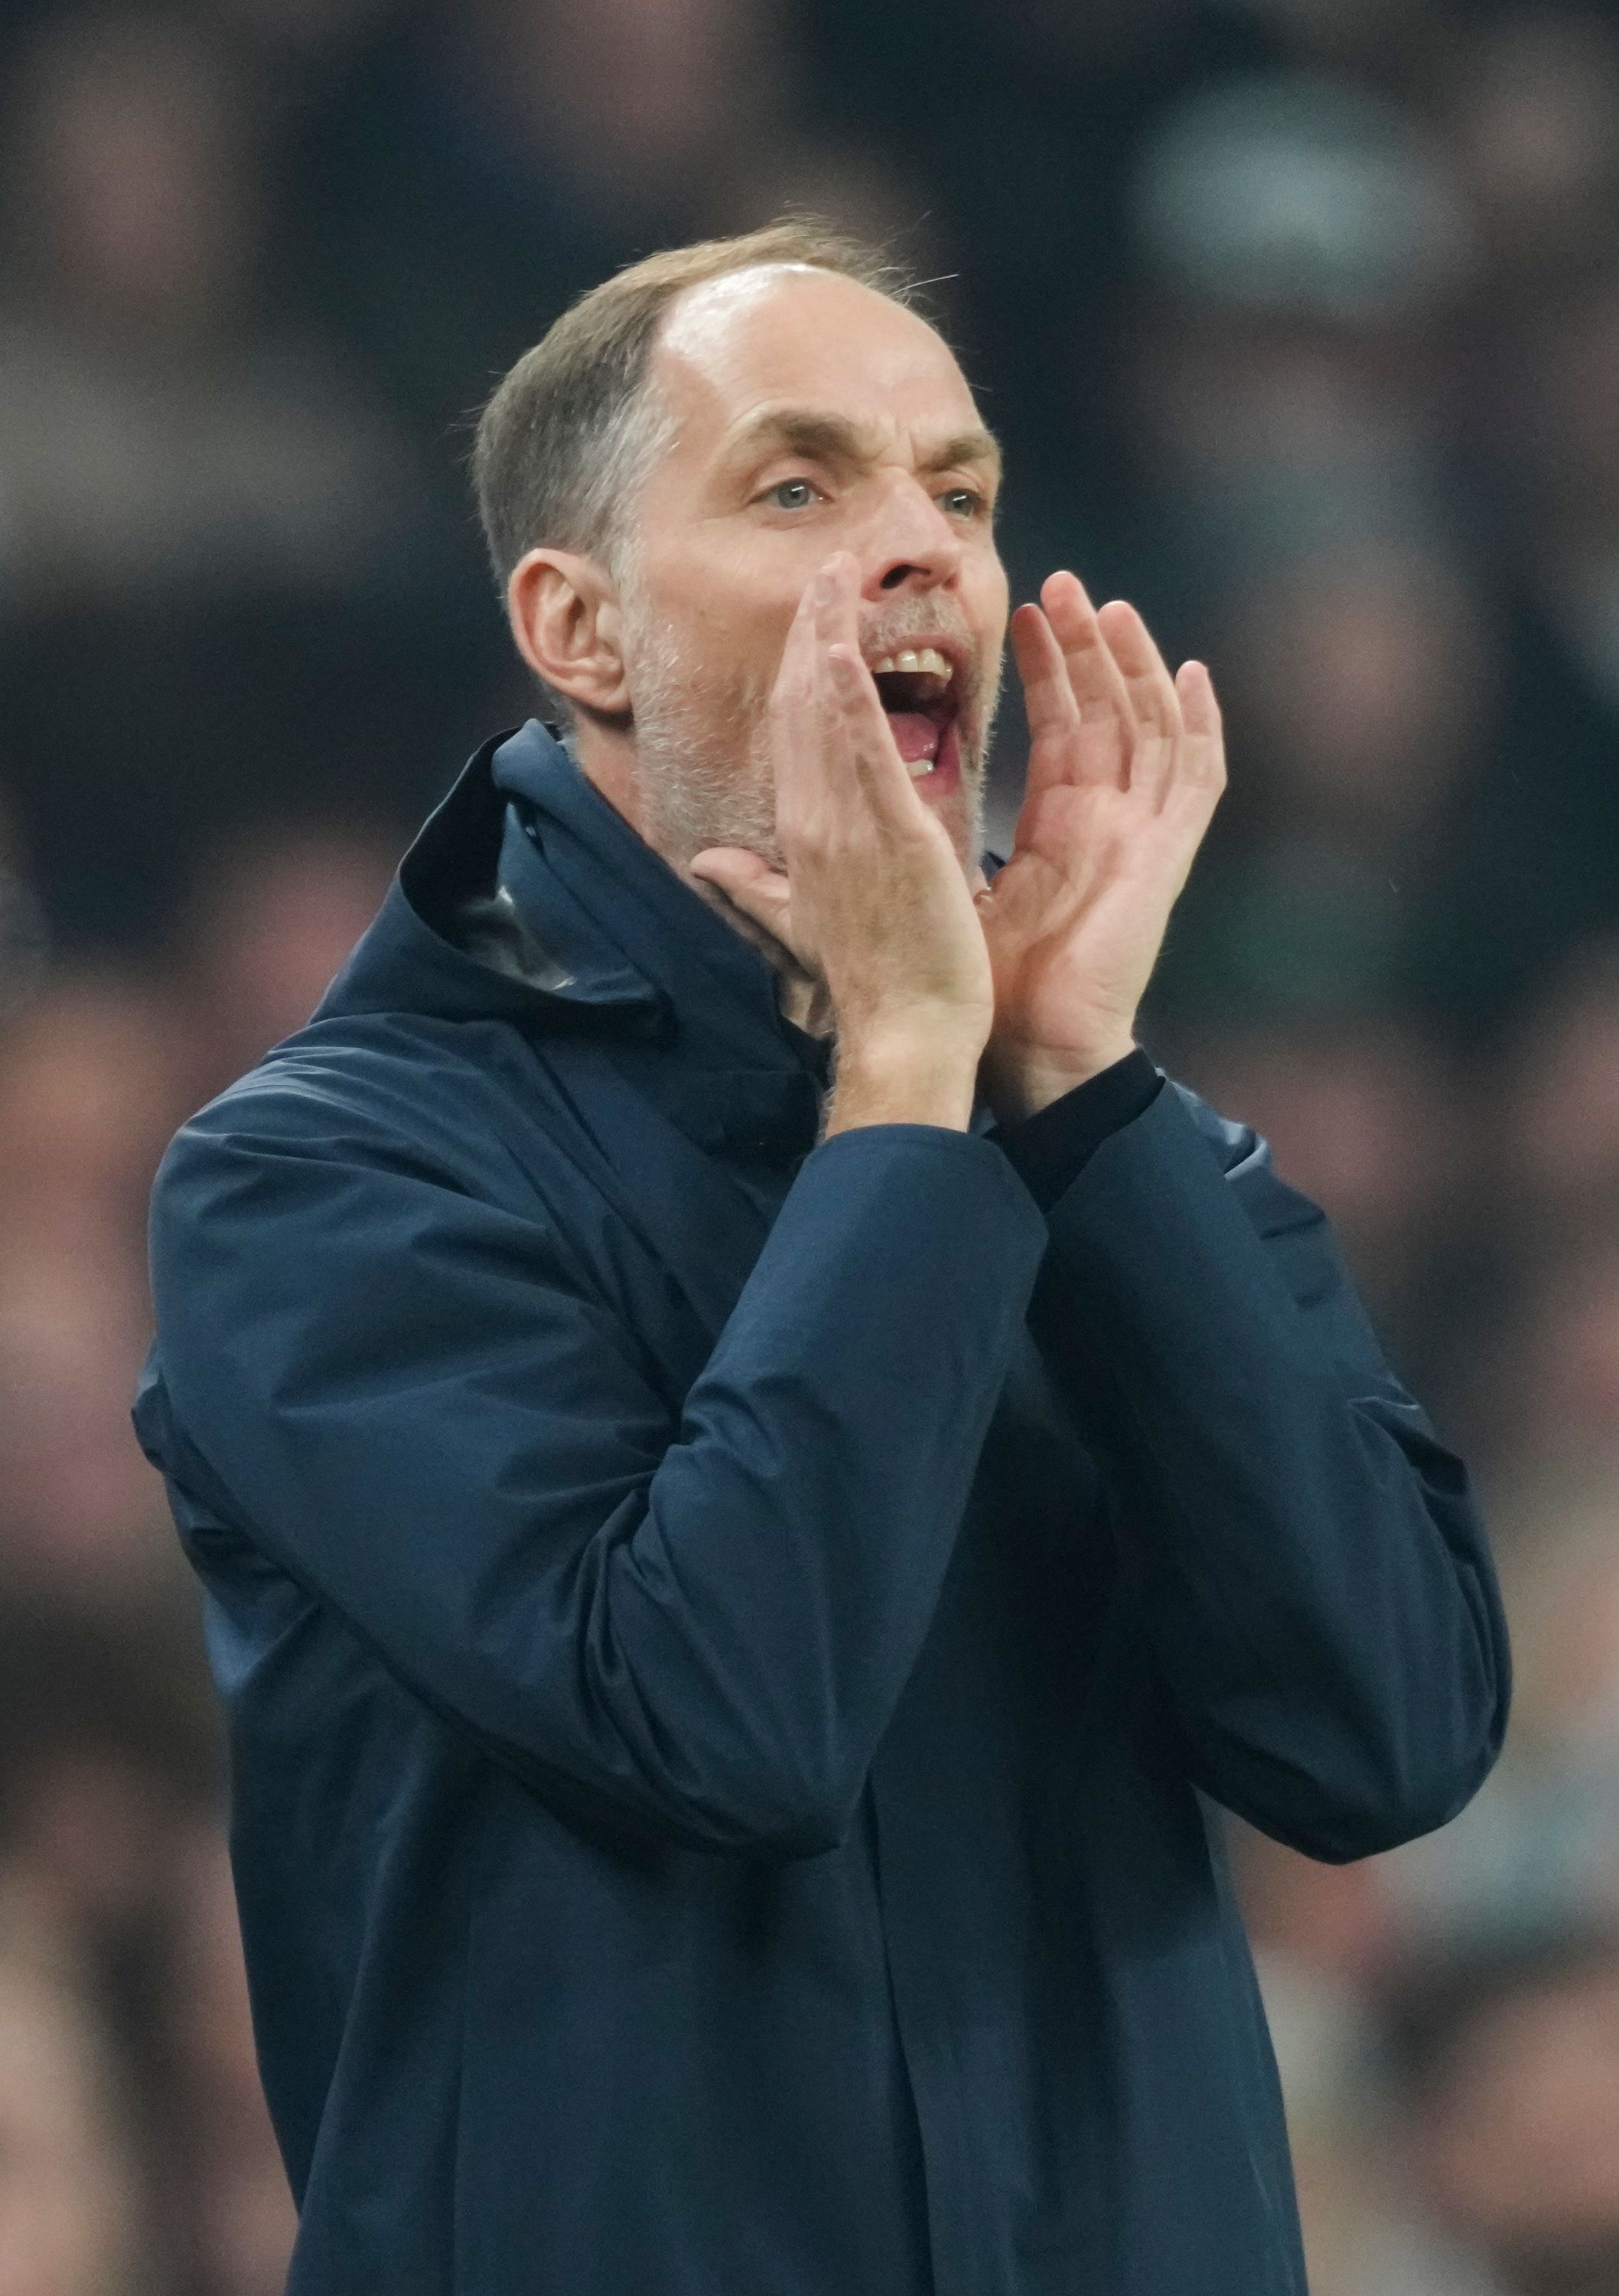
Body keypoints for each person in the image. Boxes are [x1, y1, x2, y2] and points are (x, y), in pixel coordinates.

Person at [135, 221, 1510, 2296]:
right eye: (798, 485)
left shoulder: (1111, 1140)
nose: (920, 550)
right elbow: (716, 1717)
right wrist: (905, 1079)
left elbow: (1384, 1738)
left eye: (955, 492)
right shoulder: (329, 1179)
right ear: (576, 629)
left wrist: (1067, 1090)